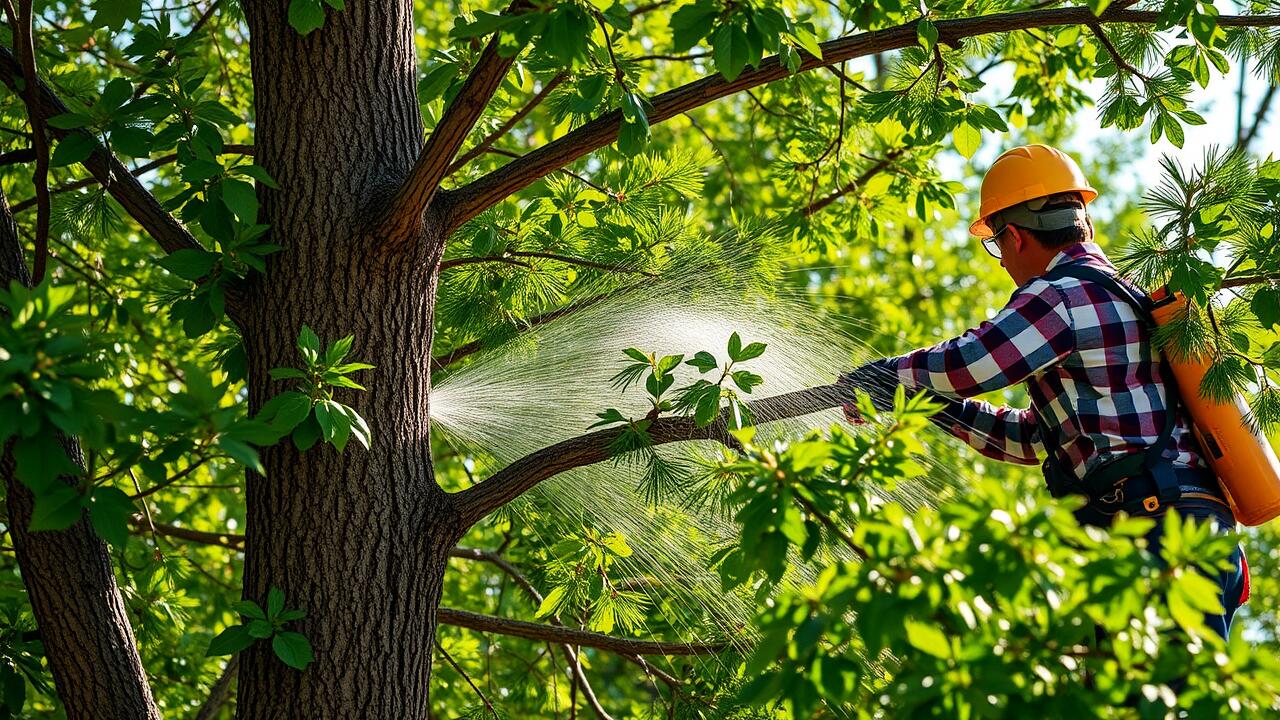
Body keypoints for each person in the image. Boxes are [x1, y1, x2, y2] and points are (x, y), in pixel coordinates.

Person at [838, 144, 1249, 638]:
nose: (1003, 262)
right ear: (1085, 225)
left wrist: (889, 374)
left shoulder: (1061, 296)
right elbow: (1036, 441)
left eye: (996, 245)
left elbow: (973, 362)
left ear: (1013, 236)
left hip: (1155, 532)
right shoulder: (1121, 294)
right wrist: (918, 399)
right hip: (1179, 531)